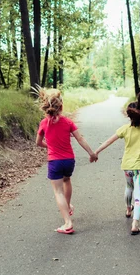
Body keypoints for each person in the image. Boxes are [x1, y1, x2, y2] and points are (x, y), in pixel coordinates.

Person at [36, 89, 97, 234]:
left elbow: (38, 143)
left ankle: (67, 222)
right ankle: (68, 207)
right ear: (61, 107)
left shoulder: (44, 124)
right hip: (69, 161)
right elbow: (80, 139)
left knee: (58, 192)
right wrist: (92, 153)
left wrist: (49, 146)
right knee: (67, 180)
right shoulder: (68, 122)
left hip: (55, 162)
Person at [95, 91, 140, 235]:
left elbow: (109, 141)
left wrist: (96, 152)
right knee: (139, 194)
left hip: (127, 165)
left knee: (129, 187)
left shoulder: (124, 129)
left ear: (130, 115)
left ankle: (128, 209)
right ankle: (135, 224)